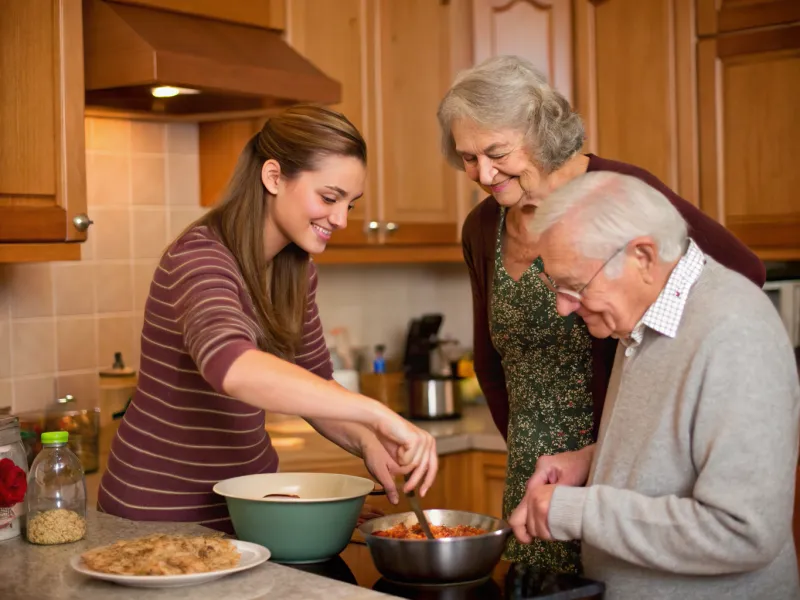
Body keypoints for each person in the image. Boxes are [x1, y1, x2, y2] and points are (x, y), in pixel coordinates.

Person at [436, 55, 766, 571]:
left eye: (496, 153)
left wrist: (653, 411)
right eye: (468, 158)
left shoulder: (621, 194)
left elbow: (740, 273)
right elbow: (489, 357)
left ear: (541, 132)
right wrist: (528, 445)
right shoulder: (482, 227)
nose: (482, 173)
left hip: (628, 465)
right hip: (541, 468)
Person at [98, 105, 437, 533]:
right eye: (329, 198)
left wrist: (368, 441)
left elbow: (315, 384)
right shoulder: (199, 258)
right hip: (158, 515)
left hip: (246, 507)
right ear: (273, 177)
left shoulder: (294, 270)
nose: (341, 219)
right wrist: (378, 415)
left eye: (350, 203)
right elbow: (234, 368)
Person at [508, 171, 800, 600]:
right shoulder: (644, 319)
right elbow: (683, 444)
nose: (562, 306)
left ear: (642, 257)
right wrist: (595, 459)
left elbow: (744, 531)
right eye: (557, 286)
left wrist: (579, 512)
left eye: (575, 286)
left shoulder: (735, 334)